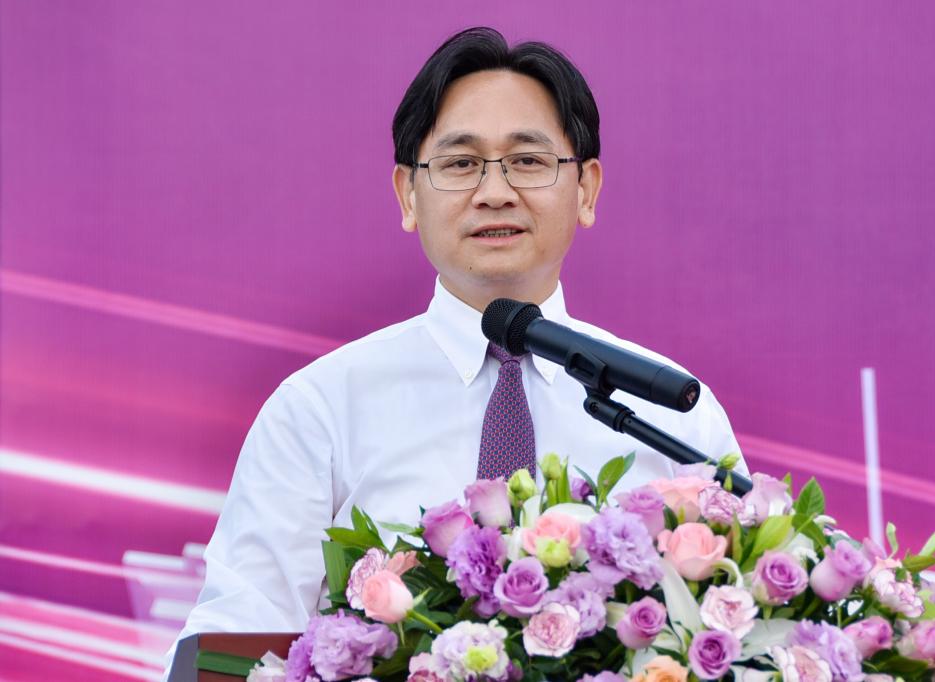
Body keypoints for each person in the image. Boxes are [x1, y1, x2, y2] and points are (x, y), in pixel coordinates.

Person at [166, 26, 744, 672]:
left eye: (528, 161)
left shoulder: (670, 406)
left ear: (585, 189)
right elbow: (230, 647)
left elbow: (743, 640)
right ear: (408, 195)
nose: (494, 192)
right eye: (461, 164)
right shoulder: (321, 410)